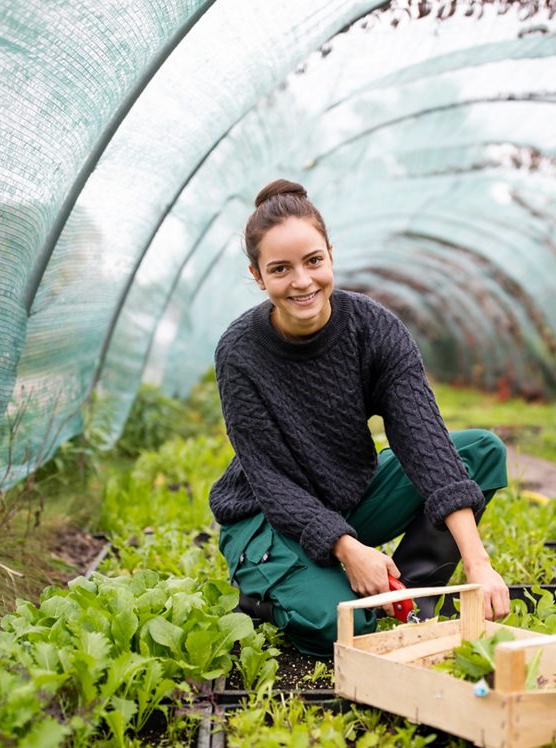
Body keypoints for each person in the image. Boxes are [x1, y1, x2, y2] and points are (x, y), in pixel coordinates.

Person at [208, 178, 511, 657]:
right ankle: (271, 591)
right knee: (346, 627)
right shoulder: (240, 352)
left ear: (330, 253)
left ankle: (412, 595)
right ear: (258, 276)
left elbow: (424, 441)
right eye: (280, 269)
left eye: (313, 261)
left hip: (345, 496)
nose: (303, 281)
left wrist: (478, 564)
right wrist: (348, 549)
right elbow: (271, 481)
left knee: (481, 452)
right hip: (267, 517)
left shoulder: (373, 328)